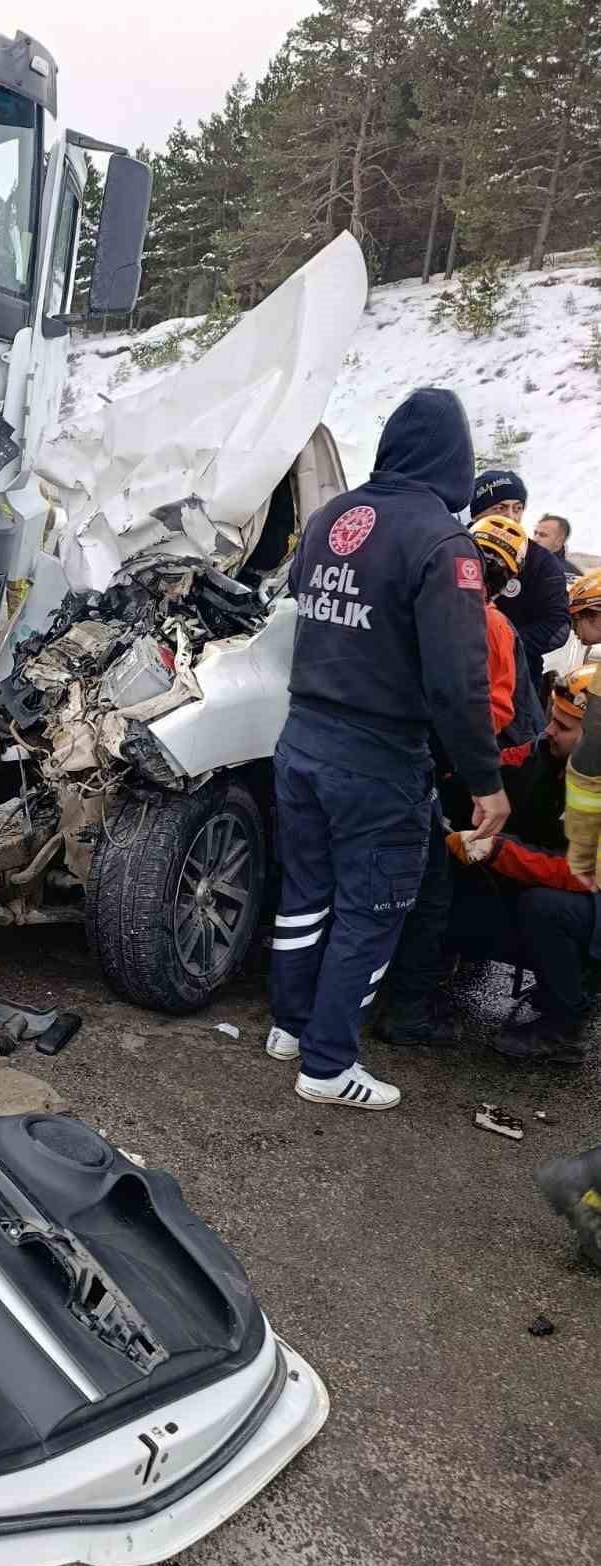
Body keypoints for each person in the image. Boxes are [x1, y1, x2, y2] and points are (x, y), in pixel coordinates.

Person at [265, 388, 507, 1111]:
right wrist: (485, 781)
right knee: (375, 908)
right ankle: (328, 1063)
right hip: (376, 755)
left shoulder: (333, 514)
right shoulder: (442, 542)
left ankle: (289, 1026)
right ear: (455, 461)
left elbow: (303, 607)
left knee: (306, 893)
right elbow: (458, 683)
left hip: (301, 737)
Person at [375, 514, 543, 1047]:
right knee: (427, 890)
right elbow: (492, 712)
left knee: (405, 881)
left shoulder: (434, 607)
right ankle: (408, 1006)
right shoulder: (486, 624)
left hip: (415, 763)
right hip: (434, 768)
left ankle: (401, 988)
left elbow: (493, 710)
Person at [445, 666, 598, 1060]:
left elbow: (581, 874)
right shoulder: (550, 753)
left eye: (563, 727)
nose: (548, 731)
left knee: (546, 908)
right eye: (551, 719)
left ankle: (566, 1028)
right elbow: (505, 764)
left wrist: (500, 852)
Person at [470, 470, 569, 689]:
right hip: (453, 673)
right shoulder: (453, 546)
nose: (511, 517)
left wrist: (501, 643)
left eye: (518, 508)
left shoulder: (540, 561)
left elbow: (558, 626)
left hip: (517, 679)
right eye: (500, 507)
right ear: (476, 513)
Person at [533, 513, 580, 577]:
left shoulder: (568, 573)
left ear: (559, 542)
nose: (535, 539)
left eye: (543, 535)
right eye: (535, 533)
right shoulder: (523, 563)